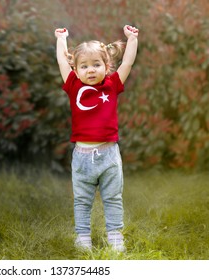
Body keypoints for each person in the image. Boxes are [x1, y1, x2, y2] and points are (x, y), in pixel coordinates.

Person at [54, 25, 139, 252]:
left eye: (96, 65)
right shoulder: (74, 85)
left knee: (113, 198)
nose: (90, 70)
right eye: (84, 66)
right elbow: (63, 62)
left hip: (109, 155)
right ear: (76, 69)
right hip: (82, 157)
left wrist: (132, 39)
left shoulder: (111, 85)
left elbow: (128, 63)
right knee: (82, 200)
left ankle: (115, 235)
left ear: (106, 66)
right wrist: (61, 39)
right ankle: (82, 237)